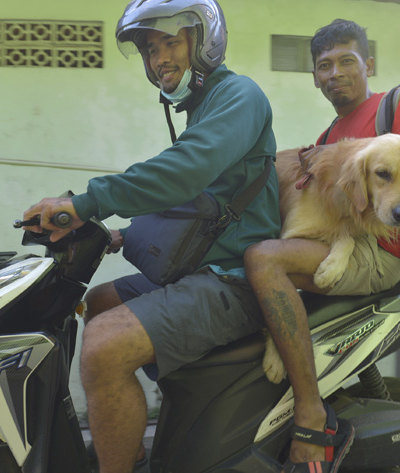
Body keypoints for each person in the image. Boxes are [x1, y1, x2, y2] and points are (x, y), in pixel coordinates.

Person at [22, 1, 280, 472]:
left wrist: (84, 204)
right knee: (98, 304)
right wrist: (120, 234)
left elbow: (184, 173)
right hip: (197, 270)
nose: (159, 57)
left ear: (204, 43)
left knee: (102, 346)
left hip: (231, 280)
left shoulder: (239, 96)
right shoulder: (202, 109)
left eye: (171, 42)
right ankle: (135, 445)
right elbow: (193, 201)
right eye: (150, 48)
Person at [244, 19, 400, 473]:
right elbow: (336, 211)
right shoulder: (331, 135)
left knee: (265, 261)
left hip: (385, 255)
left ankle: (309, 413)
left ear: (368, 64)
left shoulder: (397, 106)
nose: (335, 73)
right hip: (350, 245)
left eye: (346, 61)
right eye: (324, 66)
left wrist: (354, 234)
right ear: (316, 76)